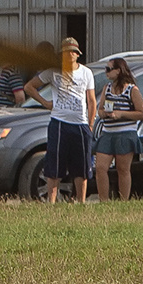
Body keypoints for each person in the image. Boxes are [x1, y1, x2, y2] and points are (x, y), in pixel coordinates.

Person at [25, 37, 95, 203]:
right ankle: (51, 200)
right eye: (66, 52)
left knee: (82, 166)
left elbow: (91, 100)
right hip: (59, 122)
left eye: (73, 52)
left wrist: (90, 124)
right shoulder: (53, 72)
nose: (69, 55)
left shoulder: (86, 73)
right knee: (54, 163)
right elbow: (29, 86)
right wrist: (45, 102)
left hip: (80, 123)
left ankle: (81, 201)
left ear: (77, 54)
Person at [94, 58, 143, 200]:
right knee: (100, 167)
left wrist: (122, 114)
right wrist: (103, 113)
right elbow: (100, 109)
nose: (106, 72)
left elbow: (141, 113)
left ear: (118, 71)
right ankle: (103, 200)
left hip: (125, 133)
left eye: (109, 69)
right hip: (107, 133)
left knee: (122, 169)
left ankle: (123, 201)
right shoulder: (107, 88)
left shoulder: (131, 90)